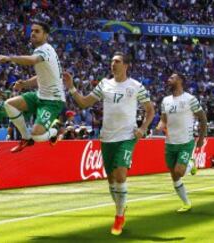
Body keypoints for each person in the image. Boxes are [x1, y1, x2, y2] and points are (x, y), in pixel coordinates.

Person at [63, 52, 155, 235]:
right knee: (112, 180)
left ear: (126, 65)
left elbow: (150, 110)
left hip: (127, 137)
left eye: (117, 61)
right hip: (107, 138)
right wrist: (72, 88)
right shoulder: (104, 84)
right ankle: (121, 207)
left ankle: (119, 217)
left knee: (120, 175)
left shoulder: (136, 86)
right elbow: (83, 103)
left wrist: (143, 128)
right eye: (112, 61)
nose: (113, 64)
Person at [0, 20, 65, 152]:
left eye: (37, 31)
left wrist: (9, 58)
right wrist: (25, 84)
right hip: (40, 95)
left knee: (37, 136)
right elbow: (41, 77)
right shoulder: (41, 50)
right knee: (9, 104)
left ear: (46, 35)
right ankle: (26, 138)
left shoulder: (46, 50)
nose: (33, 33)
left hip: (53, 100)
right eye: (32, 31)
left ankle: (55, 129)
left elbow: (32, 60)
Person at [156, 72, 207, 213]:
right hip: (170, 143)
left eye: (171, 78)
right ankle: (186, 203)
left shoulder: (190, 99)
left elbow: (203, 119)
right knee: (175, 175)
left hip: (186, 142)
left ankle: (191, 163)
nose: (168, 79)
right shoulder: (165, 100)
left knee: (180, 171)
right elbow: (164, 119)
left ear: (180, 81)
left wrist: (201, 138)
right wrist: (159, 126)